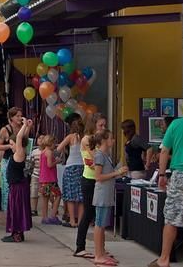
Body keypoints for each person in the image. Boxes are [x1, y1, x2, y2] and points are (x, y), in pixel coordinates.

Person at [149, 117, 183, 267]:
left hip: (180, 174)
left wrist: (161, 174)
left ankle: (164, 259)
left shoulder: (176, 124)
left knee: (171, 218)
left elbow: (164, 150)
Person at [92, 129, 127, 267]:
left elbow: (109, 174)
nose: (113, 141)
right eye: (111, 138)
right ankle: (98, 254)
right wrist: (117, 172)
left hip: (106, 193)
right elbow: (98, 177)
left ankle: (102, 251)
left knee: (102, 224)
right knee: (99, 224)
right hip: (101, 194)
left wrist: (118, 172)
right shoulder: (100, 155)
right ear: (104, 140)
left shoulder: (106, 155)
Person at [74, 113, 107, 259]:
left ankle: (101, 248)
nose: (103, 128)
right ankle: (80, 246)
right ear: (93, 125)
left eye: (104, 125)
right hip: (89, 179)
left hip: (97, 179)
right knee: (88, 213)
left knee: (97, 214)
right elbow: (96, 158)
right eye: (100, 125)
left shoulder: (99, 140)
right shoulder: (88, 139)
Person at [2, 118, 33, 242]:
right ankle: (15, 232)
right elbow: (23, 138)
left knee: (17, 210)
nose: (11, 146)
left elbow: (20, 138)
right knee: (16, 210)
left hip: (18, 187)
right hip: (18, 186)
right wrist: (28, 128)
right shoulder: (19, 152)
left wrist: (25, 125)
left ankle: (17, 235)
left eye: (11, 144)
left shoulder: (19, 154)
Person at [57, 118, 85, 228]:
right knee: (81, 196)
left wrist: (65, 150)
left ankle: (72, 220)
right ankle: (81, 221)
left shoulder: (70, 137)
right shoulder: (85, 138)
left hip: (70, 167)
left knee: (70, 196)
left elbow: (59, 149)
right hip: (82, 167)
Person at [0, 107, 23, 211]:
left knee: (20, 187)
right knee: (7, 187)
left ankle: (18, 210)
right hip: (8, 161)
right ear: (11, 117)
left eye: (21, 115)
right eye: (17, 116)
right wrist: (9, 146)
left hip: (20, 161)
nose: (20, 118)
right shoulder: (5, 130)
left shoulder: (22, 128)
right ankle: (8, 210)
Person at [39, 135, 61, 225]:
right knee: (58, 195)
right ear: (50, 143)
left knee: (45, 198)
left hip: (43, 179)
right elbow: (49, 165)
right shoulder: (49, 152)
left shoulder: (42, 152)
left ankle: (44, 217)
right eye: (54, 143)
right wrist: (57, 161)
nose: (55, 145)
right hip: (50, 179)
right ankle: (53, 215)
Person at [29, 136, 43, 216]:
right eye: (39, 138)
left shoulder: (46, 151)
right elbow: (31, 163)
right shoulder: (34, 152)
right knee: (34, 191)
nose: (40, 140)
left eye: (42, 138)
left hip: (44, 175)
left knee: (45, 193)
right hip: (35, 174)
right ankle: (33, 209)